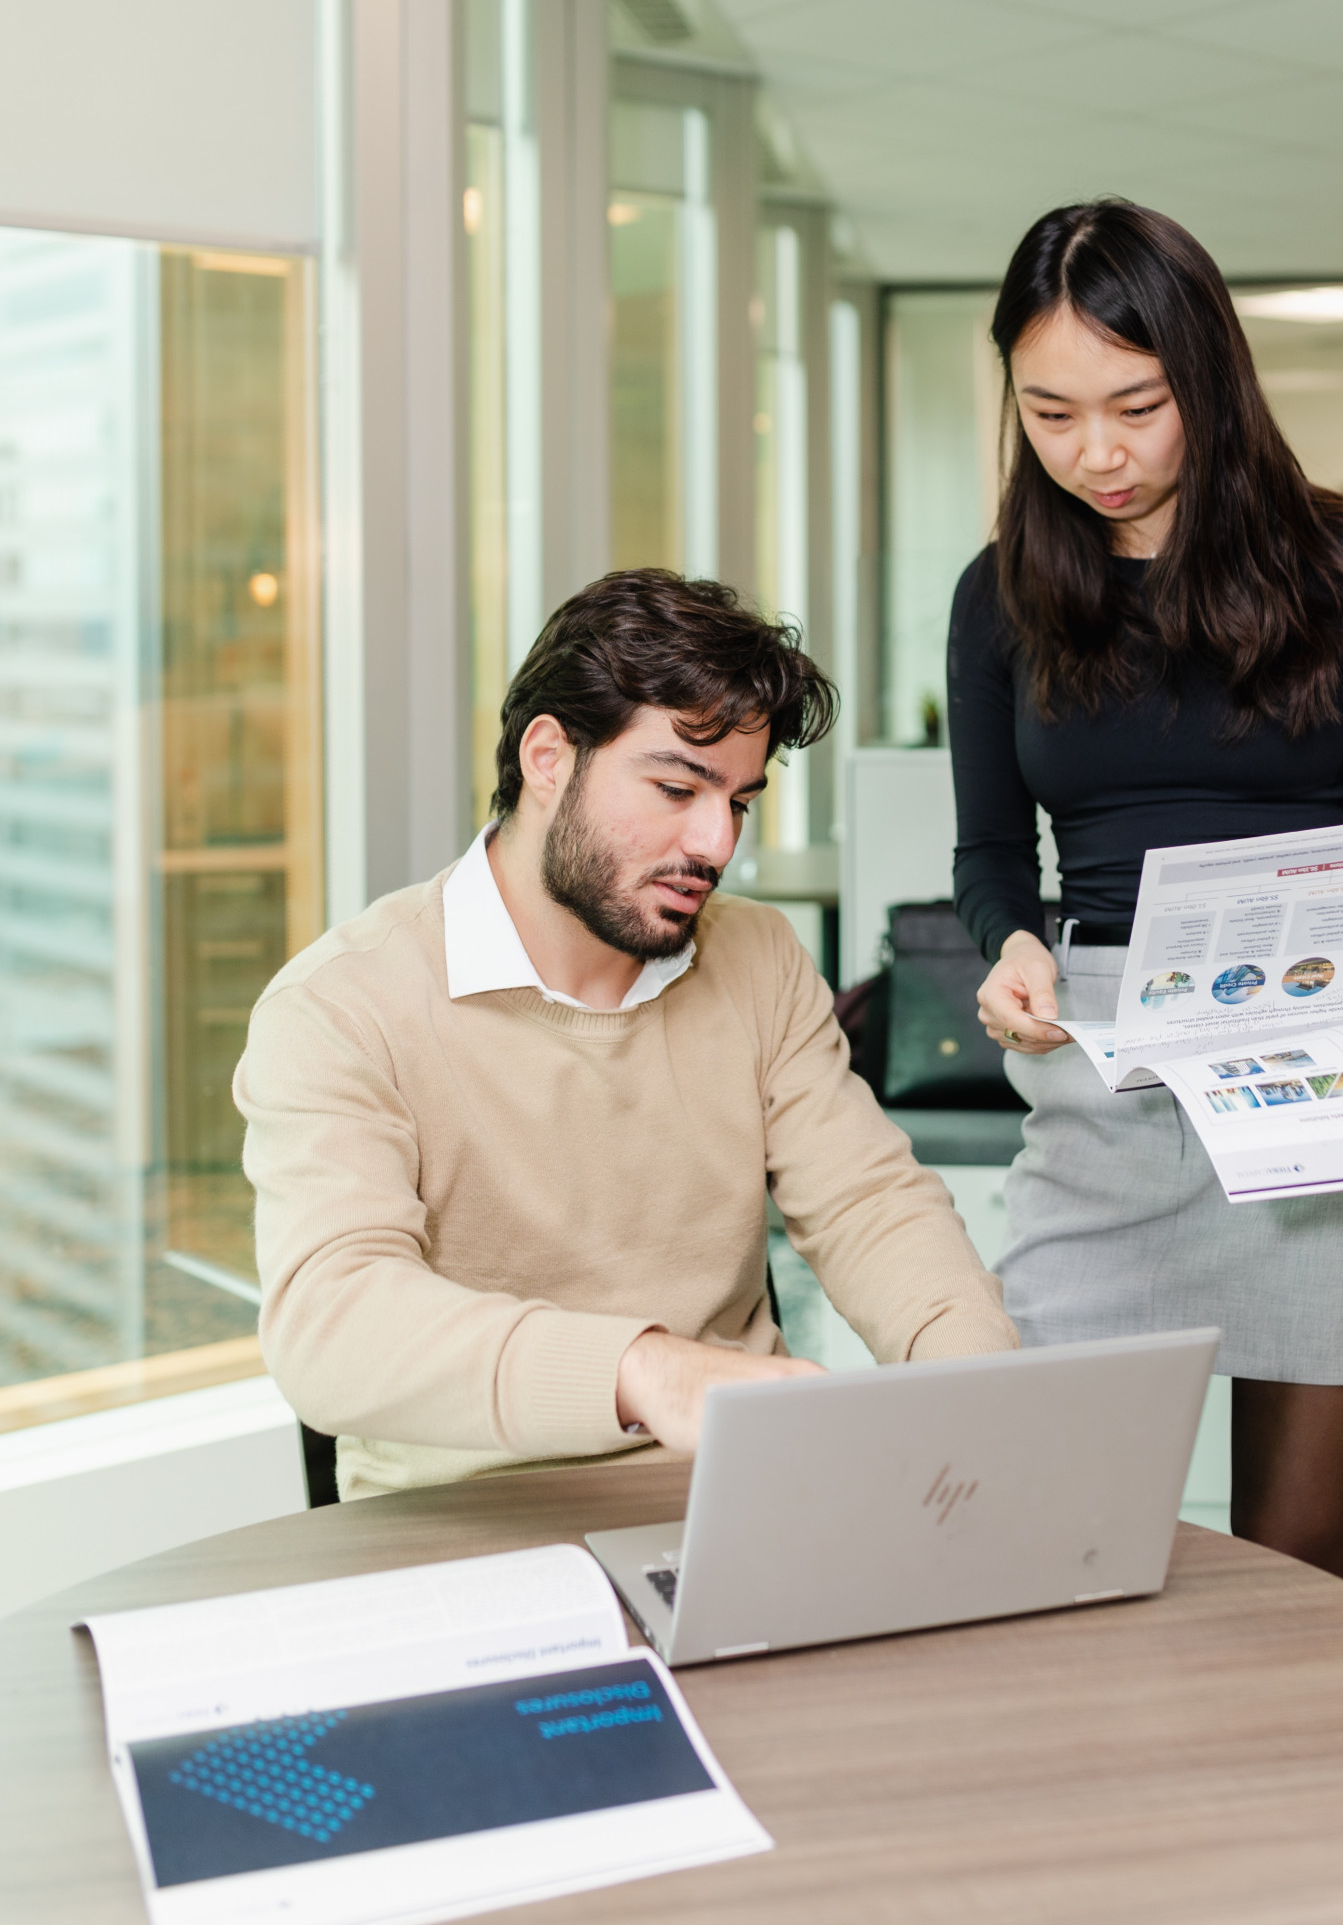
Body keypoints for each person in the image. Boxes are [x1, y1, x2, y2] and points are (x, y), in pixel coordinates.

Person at [947, 200, 1343, 1585]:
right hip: (1109, 1071)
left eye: (1136, 404)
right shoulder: (998, 594)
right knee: (1045, 1537)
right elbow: (990, 849)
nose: (1097, 454)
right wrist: (1009, 944)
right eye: (1050, 414)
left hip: (1319, 1055)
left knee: (1297, 1564)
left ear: (1210, 377)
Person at [238, 569, 1017, 1500]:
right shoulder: (341, 1008)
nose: (715, 844)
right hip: (457, 1522)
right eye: (676, 787)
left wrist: (973, 1383)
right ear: (547, 758)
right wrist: (645, 1371)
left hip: (725, 1496)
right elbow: (332, 1324)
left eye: (736, 800)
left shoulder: (757, 959)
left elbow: (870, 1207)